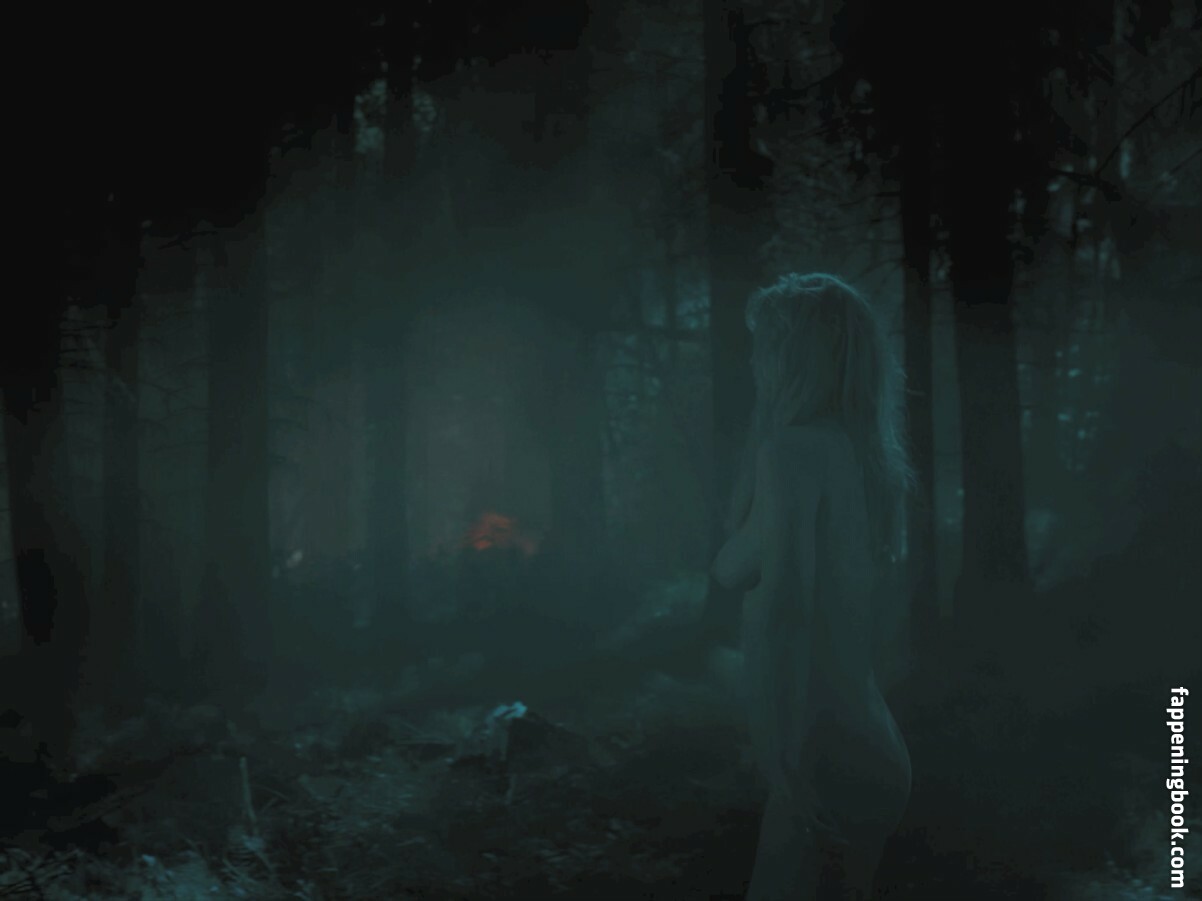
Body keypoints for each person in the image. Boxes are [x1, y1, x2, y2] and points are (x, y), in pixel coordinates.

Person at [711, 273, 913, 901]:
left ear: (795, 355)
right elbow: (735, 565)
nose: (754, 361)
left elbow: (786, 606)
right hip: (871, 742)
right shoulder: (862, 458)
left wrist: (782, 753)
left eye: (765, 345)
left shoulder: (792, 453)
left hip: (821, 752)